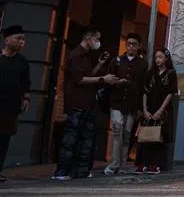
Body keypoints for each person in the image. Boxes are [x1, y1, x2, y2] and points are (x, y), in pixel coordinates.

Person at [53, 28, 119, 180]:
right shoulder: (76, 55)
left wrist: (100, 64)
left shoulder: (86, 57)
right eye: (96, 39)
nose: (98, 42)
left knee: (85, 139)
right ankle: (63, 171)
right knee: (71, 139)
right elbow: (79, 79)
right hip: (77, 103)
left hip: (88, 103)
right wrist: (103, 79)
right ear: (89, 38)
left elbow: (88, 75)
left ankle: (80, 170)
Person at [103, 32, 148, 176]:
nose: (131, 47)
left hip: (132, 104)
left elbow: (143, 86)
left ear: (138, 46)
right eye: (129, 44)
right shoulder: (117, 61)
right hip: (117, 101)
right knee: (117, 132)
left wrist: (142, 108)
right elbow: (108, 79)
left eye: (134, 44)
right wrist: (117, 82)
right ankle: (114, 163)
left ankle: (122, 164)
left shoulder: (142, 64)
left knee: (127, 134)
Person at [134, 48, 177, 174]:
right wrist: (145, 109)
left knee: (158, 136)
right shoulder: (150, 74)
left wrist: (160, 110)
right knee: (145, 136)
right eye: (156, 57)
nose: (158, 60)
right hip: (149, 108)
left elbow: (170, 93)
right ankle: (143, 163)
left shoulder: (171, 74)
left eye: (160, 57)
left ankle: (156, 164)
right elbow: (145, 92)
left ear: (166, 58)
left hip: (162, 109)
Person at [0, 25, 30, 183]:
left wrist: (26, 98)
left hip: (11, 106)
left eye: (23, 40)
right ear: (7, 40)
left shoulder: (22, 61)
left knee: (4, 138)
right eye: (18, 38)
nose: (21, 42)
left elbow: (26, 82)